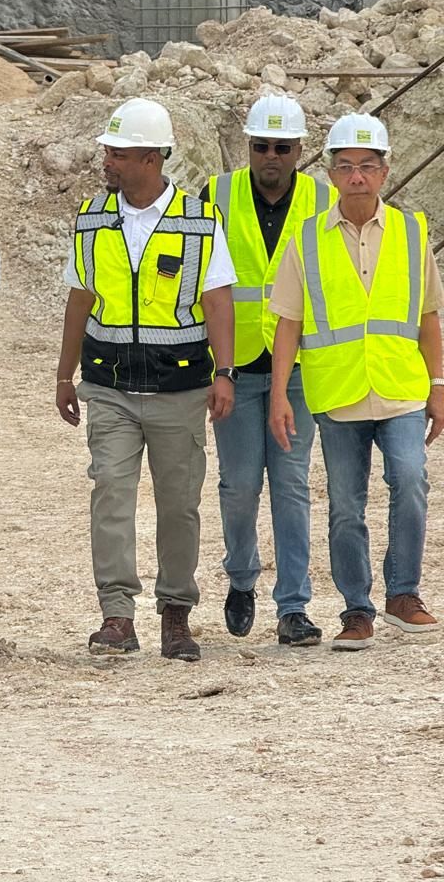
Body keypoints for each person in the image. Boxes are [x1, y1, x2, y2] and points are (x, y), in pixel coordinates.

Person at [56, 98, 236, 662]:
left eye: (117, 151)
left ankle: (176, 615)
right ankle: (116, 615)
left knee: (179, 504)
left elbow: (217, 298)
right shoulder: (91, 217)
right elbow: (80, 296)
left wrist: (224, 372)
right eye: (108, 149)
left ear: (151, 157)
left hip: (179, 389)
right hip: (107, 385)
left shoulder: (200, 221)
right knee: (110, 493)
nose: (106, 159)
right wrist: (65, 374)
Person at [269, 113, 442, 650]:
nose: (357, 176)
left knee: (411, 483)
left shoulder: (413, 232)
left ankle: (403, 594)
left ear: (385, 171)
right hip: (339, 392)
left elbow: (429, 316)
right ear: (331, 174)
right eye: (346, 167)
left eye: (368, 166)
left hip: (401, 388)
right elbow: (289, 323)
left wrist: (438, 385)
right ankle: (356, 608)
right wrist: (278, 394)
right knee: (345, 503)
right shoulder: (306, 240)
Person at [203, 94, 335, 646]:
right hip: (233, 365)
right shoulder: (217, 195)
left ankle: (294, 606)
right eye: (261, 147)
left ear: (300, 149)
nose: (271, 157)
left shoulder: (322, 200)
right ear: (247, 147)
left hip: (297, 364)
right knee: (237, 486)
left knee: (291, 485)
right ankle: (241, 577)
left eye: (283, 147)